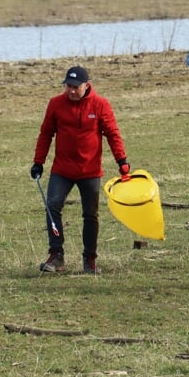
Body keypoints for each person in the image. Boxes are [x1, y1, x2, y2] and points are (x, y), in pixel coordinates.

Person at [31, 66, 129, 275]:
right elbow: (45, 134)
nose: (71, 91)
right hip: (62, 169)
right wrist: (38, 162)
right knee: (52, 207)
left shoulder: (100, 105)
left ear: (86, 85)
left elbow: (112, 134)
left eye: (75, 87)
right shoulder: (55, 104)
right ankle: (56, 256)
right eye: (68, 86)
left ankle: (90, 259)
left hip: (90, 170)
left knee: (90, 215)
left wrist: (122, 161)